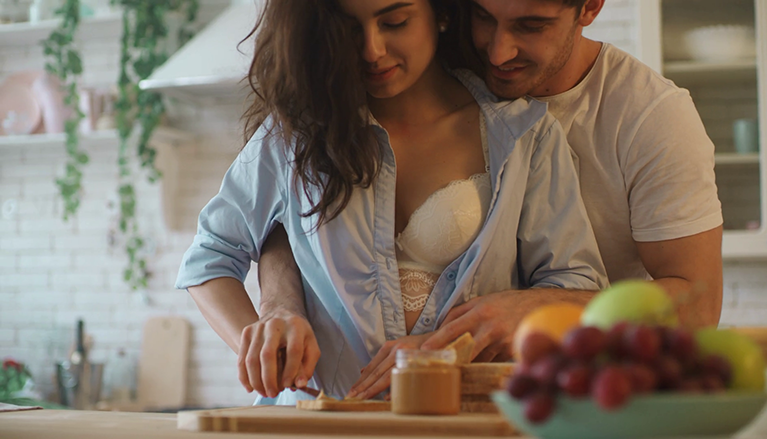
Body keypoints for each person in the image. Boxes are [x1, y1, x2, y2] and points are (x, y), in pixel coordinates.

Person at [256, 0, 725, 399]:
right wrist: (279, 304)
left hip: (587, 400)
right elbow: (283, 213)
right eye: (482, 16)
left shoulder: (650, 117)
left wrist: (538, 308)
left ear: (590, 7)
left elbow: (697, 308)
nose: (498, 51)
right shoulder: (411, 66)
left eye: (531, 25)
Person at [176, 0, 607, 405]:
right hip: (316, 423)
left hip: (460, 422)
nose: (372, 50)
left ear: (438, 13)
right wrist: (262, 337)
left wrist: (465, 338)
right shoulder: (296, 135)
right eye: (347, 30)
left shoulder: (523, 134)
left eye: (395, 22)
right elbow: (209, 258)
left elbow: (577, 286)